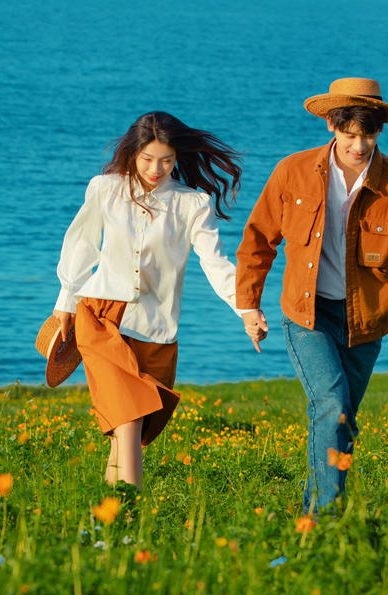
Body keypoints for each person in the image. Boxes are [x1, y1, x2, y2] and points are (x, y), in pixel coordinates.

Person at [236, 78, 388, 512]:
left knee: (343, 418)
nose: (359, 145)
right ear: (332, 126)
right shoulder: (291, 172)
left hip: (366, 319)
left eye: (367, 135)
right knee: (331, 404)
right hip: (306, 314)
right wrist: (248, 306)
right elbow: (258, 239)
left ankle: (320, 505)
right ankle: (326, 517)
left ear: (379, 131)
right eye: (350, 135)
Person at [52, 111, 257, 489]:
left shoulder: (192, 204)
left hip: (156, 328)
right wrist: (65, 300)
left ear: (177, 157)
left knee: (126, 429)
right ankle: (134, 508)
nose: (156, 168)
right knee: (128, 418)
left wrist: (245, 308)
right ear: (132, 153)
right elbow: (80, 245)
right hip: (101, 318)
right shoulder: (105, 188)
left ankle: (111, 519)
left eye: (165, 159)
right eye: (147, 159)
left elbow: (216, 263)